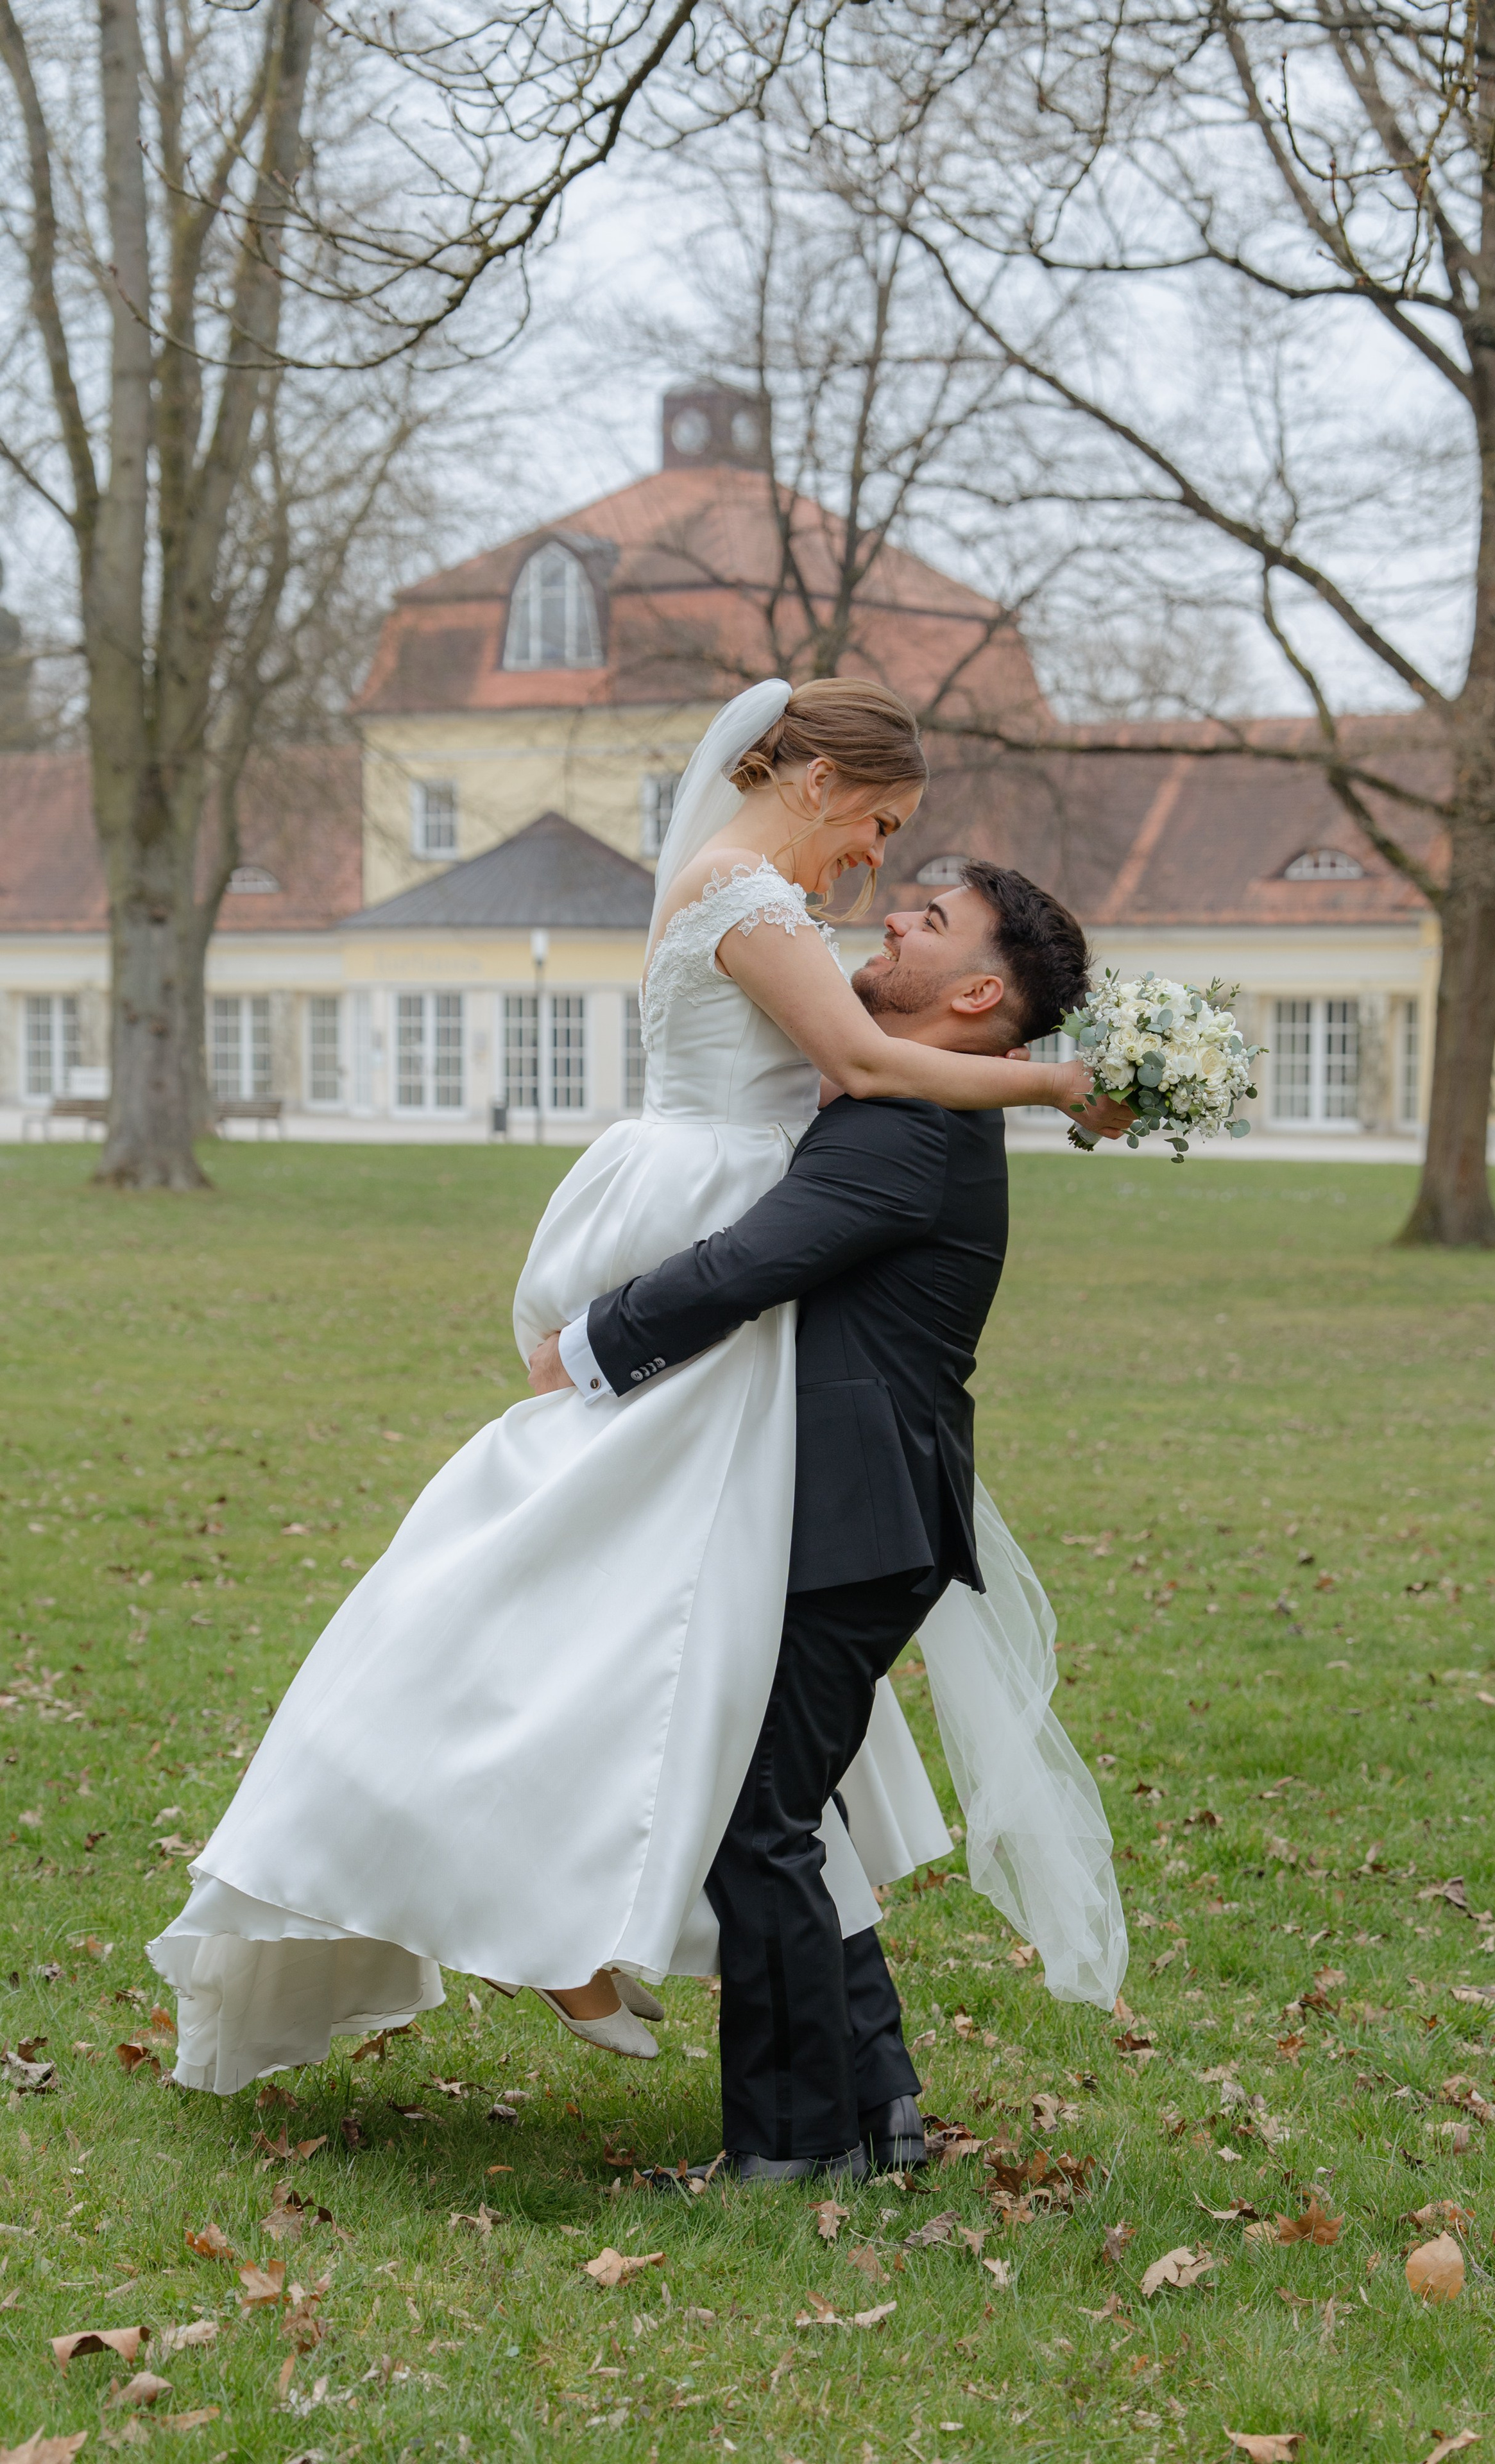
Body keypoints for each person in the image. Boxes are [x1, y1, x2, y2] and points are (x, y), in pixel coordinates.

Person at [147, 678, 1125, 2098]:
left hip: (716, 1216)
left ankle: (572, 1919)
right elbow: (855, 1063)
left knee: (642, 1598)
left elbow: (866, 1078)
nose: (871, 859)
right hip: (714, 1221)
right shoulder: (751, 903)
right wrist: (1054, 1088)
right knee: (619, 1585)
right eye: (876, 821)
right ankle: (546, 1908)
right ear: (814, 778)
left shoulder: (755, 895)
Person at [528, 859, 1128, 2178]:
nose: (891, 917)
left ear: (975, 992)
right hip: (860, 1509)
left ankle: (793, 2150)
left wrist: (584, 1345)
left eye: (928, 919)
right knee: (792, 1817)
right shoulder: (911, 1101)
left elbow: (752, 1263)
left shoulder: (909, 1131)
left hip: (858, 1520)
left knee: (757, 1820)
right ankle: (875, 2110)